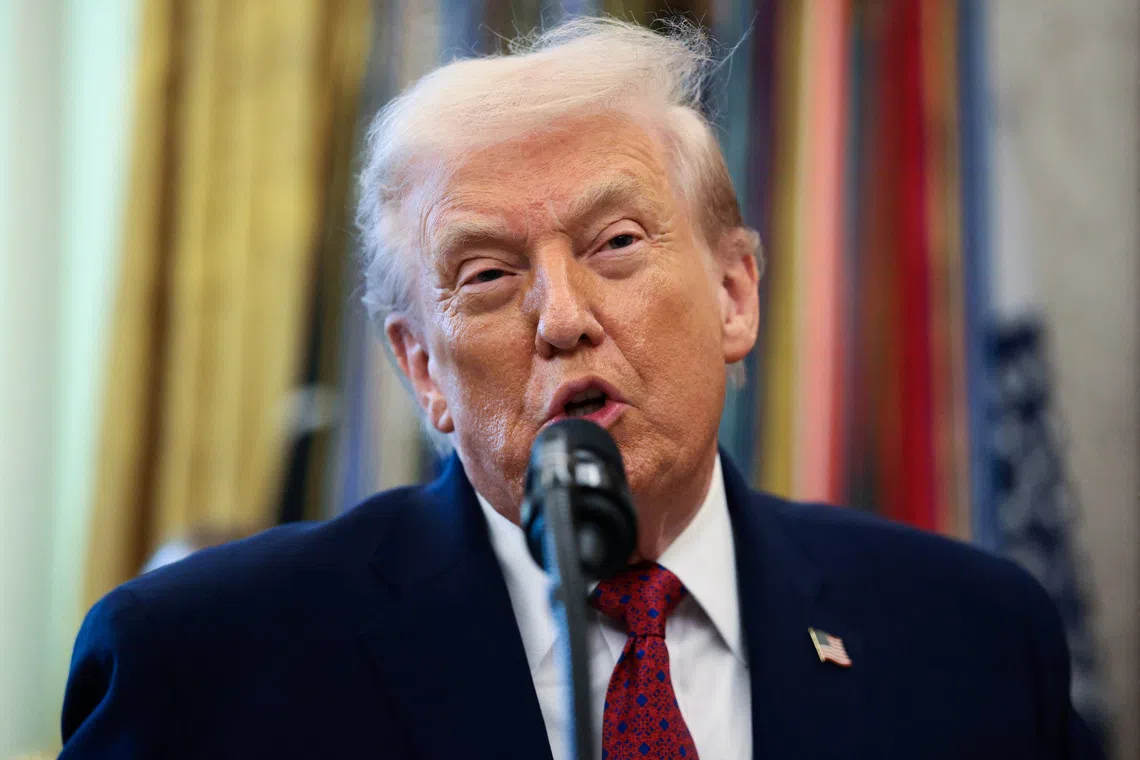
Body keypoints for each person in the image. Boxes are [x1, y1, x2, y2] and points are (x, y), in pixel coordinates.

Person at [59, 18, 1101, 760]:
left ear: (735, 293)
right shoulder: (201, 667)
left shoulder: (973, 639)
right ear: (422, 368)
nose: (560, 316)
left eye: (614, 243)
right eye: (487, 276)